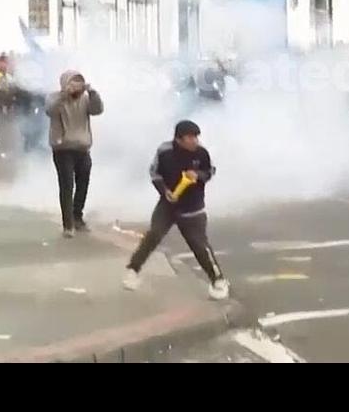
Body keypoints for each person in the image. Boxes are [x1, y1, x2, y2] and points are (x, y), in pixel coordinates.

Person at [122, 121, 228, 300]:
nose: (195, 141)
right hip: (168, 204)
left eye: (196, 137)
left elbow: (210, 171)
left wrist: (199, 176)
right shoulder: (164, 152)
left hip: (193, 206)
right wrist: (165, 191)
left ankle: (218, 280)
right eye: (190, 137)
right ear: (179, 139)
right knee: (154, 235)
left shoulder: (201, 153)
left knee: (199, 245)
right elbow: (154, 173)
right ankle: (133, 270)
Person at [48, 71, 103, 237]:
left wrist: (92, 92)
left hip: (83, 148)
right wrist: (65, 94)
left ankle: (77, 217)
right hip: (62, 148)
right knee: (66, 186)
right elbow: (51, 110)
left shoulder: (86, 98)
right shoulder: (54, 97)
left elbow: (97, 110)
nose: (76, 87)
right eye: (72, 83)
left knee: (83, 184)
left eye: (79, 83)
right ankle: (68, 225)